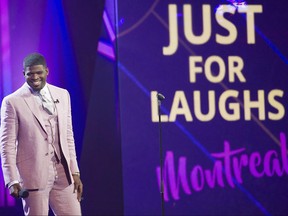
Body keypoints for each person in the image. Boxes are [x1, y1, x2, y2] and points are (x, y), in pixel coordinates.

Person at [0, 53, 83, 215]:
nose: (35, 77)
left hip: (63, 174)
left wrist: (75, 172)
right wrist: (12, 180)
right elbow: (7, 144)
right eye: (30, 73)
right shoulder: (12, 101)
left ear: (47, 71)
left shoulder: (62, 95)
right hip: (33, 174)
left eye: (39, 72)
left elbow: (68, 136)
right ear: (24, 74)